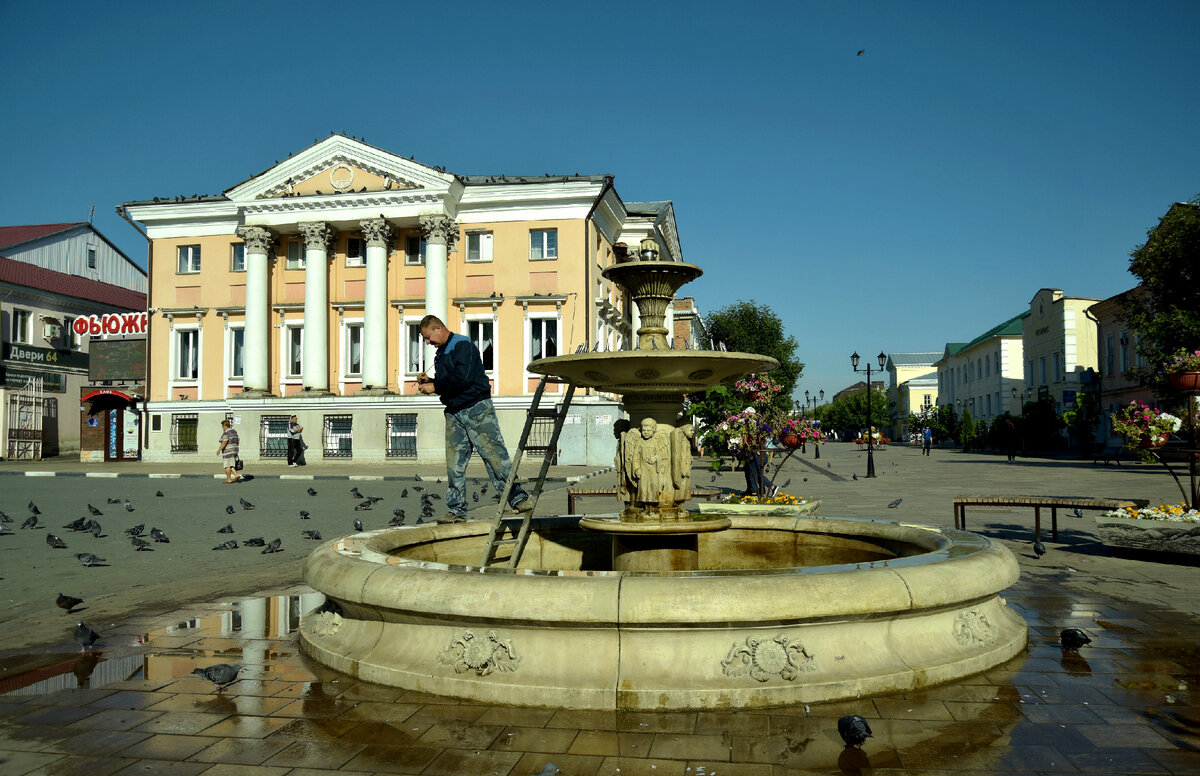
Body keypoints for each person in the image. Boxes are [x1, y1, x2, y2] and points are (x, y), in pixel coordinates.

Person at [416, 314, 531, 523]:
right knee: (454, 465)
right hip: (454, 412)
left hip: (477, 408)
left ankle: (518, 498)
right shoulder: (441, 353)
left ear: (438, 328)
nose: (427, 342)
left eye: (428, 337)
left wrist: (436, 386)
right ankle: (456, 510)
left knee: (495, 456)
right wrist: (431, 381)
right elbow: (449, 381)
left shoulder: (462, 345)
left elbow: (464, 378)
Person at [217, 419, 242, 484]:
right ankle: (236, 475)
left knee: (227, 465)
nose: (222, 427)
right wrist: (235, 447)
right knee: (231, 464)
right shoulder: (234, 431)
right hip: (235, 449)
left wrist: (219, 449)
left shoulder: (226, 432)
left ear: (224, 425)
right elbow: (238, 440)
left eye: (222, 426)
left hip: (228, 450)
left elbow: (225, 441)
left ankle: (229, 479)